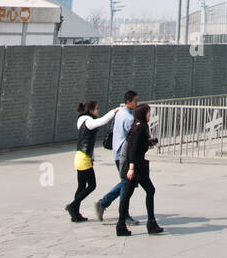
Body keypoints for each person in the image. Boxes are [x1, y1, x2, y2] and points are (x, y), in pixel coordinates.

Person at [66, 100, 120, 223]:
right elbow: (101, 121)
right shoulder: (89, 122)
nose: (98, 110)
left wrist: (92, 157)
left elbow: (88, 142)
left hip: (80, 156)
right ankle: (72, 206)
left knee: (81, 186)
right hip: (83, 158)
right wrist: (114, 111)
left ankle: (75, 214)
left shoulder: (82, 121)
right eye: (97, 108)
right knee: (92, 185)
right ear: (91, 110)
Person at [94, 90, 141, 224]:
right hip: (124, 155)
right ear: (128, 102)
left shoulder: (119, 113)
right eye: (135, 101)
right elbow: (132, 137)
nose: (137, 103)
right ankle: (119, 212)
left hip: (117, 153)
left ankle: (104, 204)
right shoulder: (128, 118)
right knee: (126, 185)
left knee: (126, 183)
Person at [117, 103, 163, 236]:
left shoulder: (137, 126)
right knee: (149, 190)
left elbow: (136, 144)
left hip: (134, 165)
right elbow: (133, 150)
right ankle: (151, 223)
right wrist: (131, 168)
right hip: (136, 167)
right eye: (148, 112)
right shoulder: (141, 127)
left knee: (126, 195)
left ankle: (121, 225)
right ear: (144, 113)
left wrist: (149, 142)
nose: (150, 115)